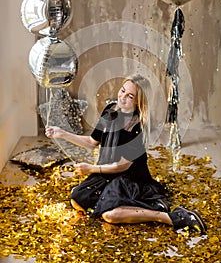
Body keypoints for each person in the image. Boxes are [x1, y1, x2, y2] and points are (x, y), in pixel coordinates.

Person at [45, 75, 207, 234]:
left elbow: (120, 167)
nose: (122, 97)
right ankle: (117, 204)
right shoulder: (110, 111)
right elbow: (92, 141)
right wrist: (62, 134)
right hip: (107, 173)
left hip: (129, 179)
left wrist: (91, 169)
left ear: (138, 102)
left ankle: (168, 216)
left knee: (110, 215)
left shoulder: (137, 128)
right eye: (122, 91)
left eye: (129, 96)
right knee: (76, 200)